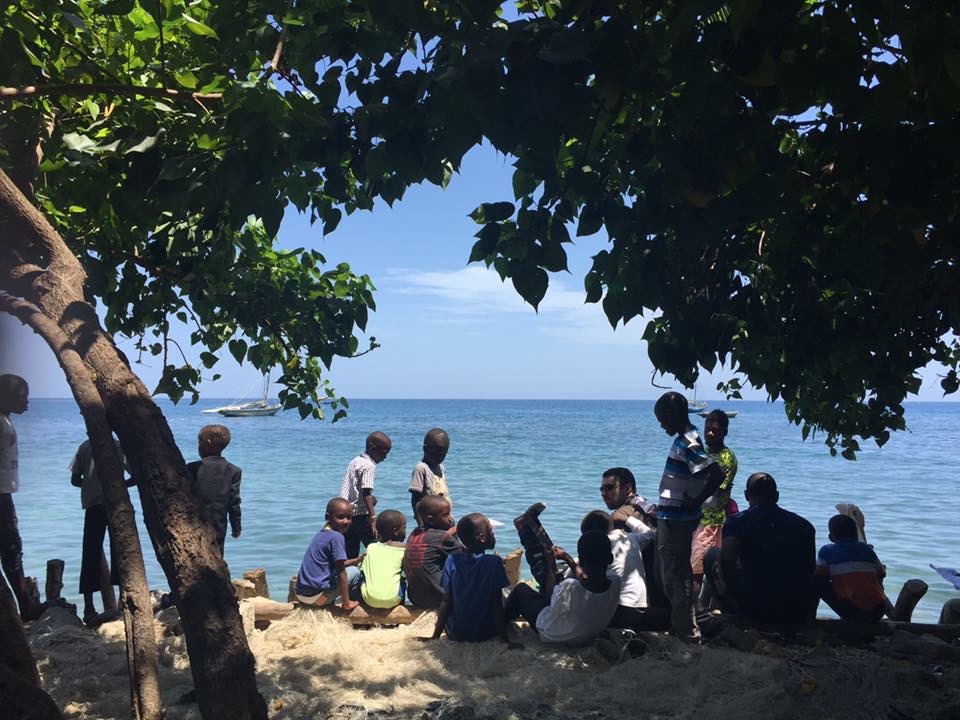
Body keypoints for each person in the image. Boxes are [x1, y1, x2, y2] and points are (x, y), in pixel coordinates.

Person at [653, 391, 725, 642]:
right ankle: (692, 622)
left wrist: (695, 499)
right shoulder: (689, 438)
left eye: (662, 418)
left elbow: (715, 473)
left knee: (675, 578)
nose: (661, 424)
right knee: (671, 575)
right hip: (673, 516)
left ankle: (688, 634)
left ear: (672, 415)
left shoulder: (688, 442)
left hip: (677, 521)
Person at [704, 472, 816, 628]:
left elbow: (728, 558)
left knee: (711, 555)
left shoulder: (737, 522)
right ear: (776, 496)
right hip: (794, 608)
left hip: (754, 606)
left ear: (746, 495)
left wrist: (728, 587)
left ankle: (735, 612)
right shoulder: (804, 526)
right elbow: (810, 569)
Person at [505, 531, 621, 645]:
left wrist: (551, 566)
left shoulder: (571, 587)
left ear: (581, 559)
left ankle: (501, 622)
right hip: (590, 632)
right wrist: (568, 559)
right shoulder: (616, 580)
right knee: (559, 588)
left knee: (520, 590)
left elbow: (549, 601)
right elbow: (588, 579)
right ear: (610, 558)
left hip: (557, 636)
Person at [422, 512, 516, 645]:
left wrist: (435, 636)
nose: (494, 535)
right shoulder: (494, 562)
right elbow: (496, 604)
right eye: (492, 532)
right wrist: (505, 640)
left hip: (456, 633)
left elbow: (447, 601)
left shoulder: (452, 559)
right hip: (486, 632)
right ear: (482, 537)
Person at [70, 437, 126, 623]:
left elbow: (75, 479)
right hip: (116, 504)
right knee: (121, 553)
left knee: (90, 553)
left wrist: (90, 484)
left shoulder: (84, 446)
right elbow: (134, 474)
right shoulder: (117, 445)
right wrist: (121, 483)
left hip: (93, 507)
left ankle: (88, 607)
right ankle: (122, 601)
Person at [0, 374, 41, 620]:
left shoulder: (5, 421)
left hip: (5, 493)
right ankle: (26, 607)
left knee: (12, 549)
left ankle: (23, 605)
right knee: (12, 549)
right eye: (22, 396)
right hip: (1, 495)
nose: (27, 401)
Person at [580, 510, 662, 629]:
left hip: (618, 609)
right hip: (640, 606)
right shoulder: (630, 539)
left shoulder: (601, 545)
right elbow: (649, 534)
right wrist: (627, 519)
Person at [601, 467, 667, 610]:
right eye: (602, 490)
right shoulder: (646, 505)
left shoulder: (626, 512)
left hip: (650, 589)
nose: (604, 494)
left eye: (609, 488)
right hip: (662, 583)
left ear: (628, 488)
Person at [691, 410, 738, 603]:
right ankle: (699, 610)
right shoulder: (702, 453)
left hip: (711, 520)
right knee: (696, 568)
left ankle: (695, 612)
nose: (710, 432)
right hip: (694, 517)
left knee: (697, 570)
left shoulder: (726, 458)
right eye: (707, 428)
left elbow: (714, 488)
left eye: (715, 430)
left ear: (724, 432)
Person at [814, 514, 888, 623]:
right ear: (856, 535)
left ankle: (810, 617)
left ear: (830, 537)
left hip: (853, 612)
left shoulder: (827, 551)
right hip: (879, 610)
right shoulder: (867, 549)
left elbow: (820, 578)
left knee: (817, 582)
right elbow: (881, 573)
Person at [295, 498, 361, 611]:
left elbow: (334, 563)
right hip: (317, 599)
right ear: (327, 517)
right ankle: (347, 603)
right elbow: (341, 571)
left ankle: (337, 599)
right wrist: (346, 603)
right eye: (340, 517)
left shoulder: (321, 534)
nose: (346, 521)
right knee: (355, 572)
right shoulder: (337, 536)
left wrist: (355, 561)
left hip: (301, 595)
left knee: (351, 568)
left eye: (349, 518)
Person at [187, 424, 242, 558]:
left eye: (199, 442)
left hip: (193, 522)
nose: (198, 446)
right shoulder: (233, 471)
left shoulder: (192, 468)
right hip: (218, 525)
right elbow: (234, 502)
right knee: (217, 557)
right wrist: (236, 527)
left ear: (207, 443)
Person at [339, 431, 392, 559]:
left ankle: (350, 576)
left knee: (350, 551)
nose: (385, 457)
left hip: (347, 513)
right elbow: (366, 493)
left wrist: (372, 499)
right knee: (376, 546)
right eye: (384, 453)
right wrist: (373, 518)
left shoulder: (355, 461)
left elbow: (355, 489)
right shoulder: (369, 466)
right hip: (360, 516)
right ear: (373, 448)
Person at [403, 496, 461, 608]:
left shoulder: (414, 534)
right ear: (430, 519)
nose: (450, 518)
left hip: (415, 598)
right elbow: (467, 555)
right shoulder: (442, 537)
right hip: (439, 598)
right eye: (446, 515)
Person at [353, 509, 407, 609]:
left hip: (368, 598)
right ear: (395, 531)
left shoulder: (370, 547)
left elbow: (361, 570)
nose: (405, 532)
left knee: (362, 575)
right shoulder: (404, 550)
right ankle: (400, 607)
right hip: (394, 599)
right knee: (403, 578)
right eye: (404, 528)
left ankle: (362, 605)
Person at [410, 428, 452, 526]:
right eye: (436, 454)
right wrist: (420, 523)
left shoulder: (441, 468)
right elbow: (416, 499)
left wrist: (449, 516)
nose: (440, 458)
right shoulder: (421, 468)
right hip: (429, 521)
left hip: (443, 520)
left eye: (443, 455)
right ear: (425, 448)